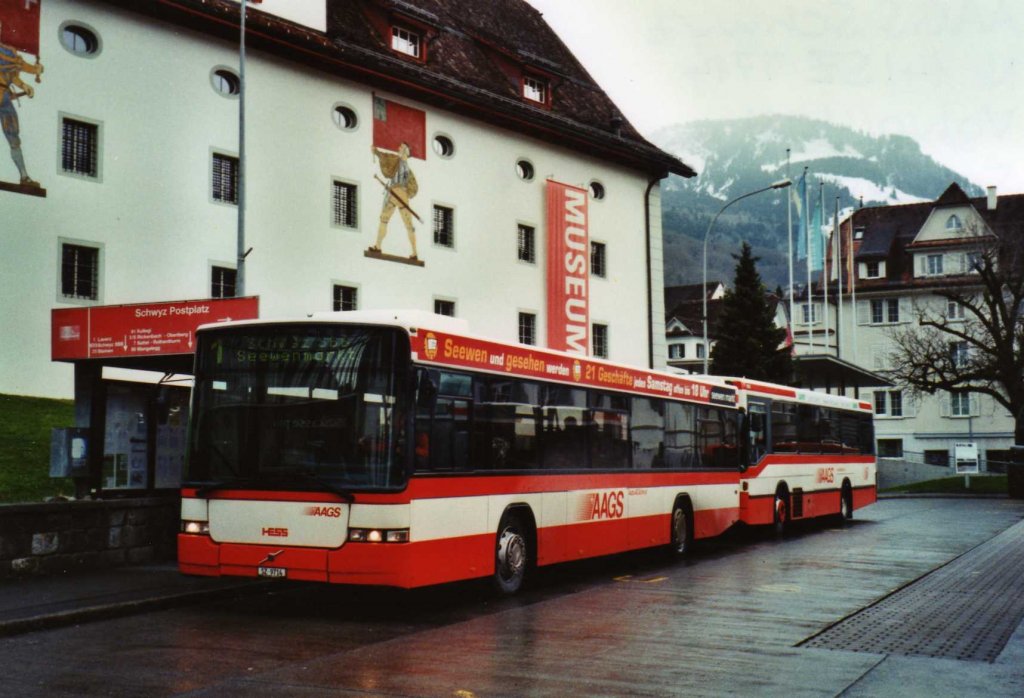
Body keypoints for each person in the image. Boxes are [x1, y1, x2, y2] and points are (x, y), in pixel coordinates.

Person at [0, 21, 43, 187]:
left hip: (3, 97)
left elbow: (11, 74)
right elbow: (16, 64)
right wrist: (34, 70)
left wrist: (24, 85)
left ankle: (24, 176)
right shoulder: (5, 52)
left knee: (14, 137)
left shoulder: (7, 50)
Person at [370, 142, 418, 259]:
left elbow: (413, 186)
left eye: (402, 147)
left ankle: (414, 253)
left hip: (401, 194)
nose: (399, 148)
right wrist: (376, 152)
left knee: (408, 225)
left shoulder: (408, 169)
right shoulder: (395, 160)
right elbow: (385, 156)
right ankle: (377, 246)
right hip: (392, 192)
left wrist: (406, 193)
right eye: (400, 147)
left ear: (407, 151)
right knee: (384, 219)